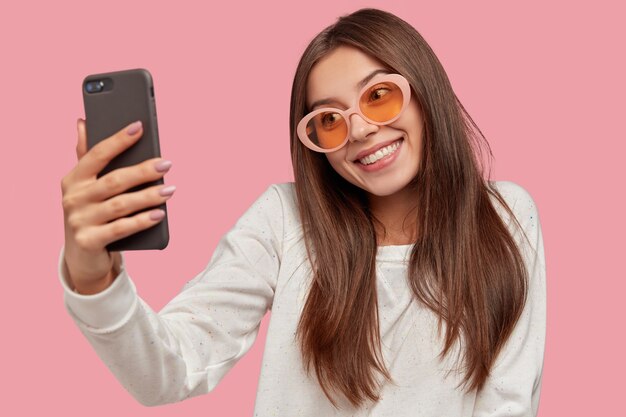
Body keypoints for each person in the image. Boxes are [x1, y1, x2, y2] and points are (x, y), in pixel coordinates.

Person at [58, 8, 546, 416]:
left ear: (425, 93)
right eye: (328, 120)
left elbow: (508, 402)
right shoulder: (284, 221)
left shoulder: (505, 216)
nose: (358, 131)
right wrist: (93, 276)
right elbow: (169, 369)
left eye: (378, 96)